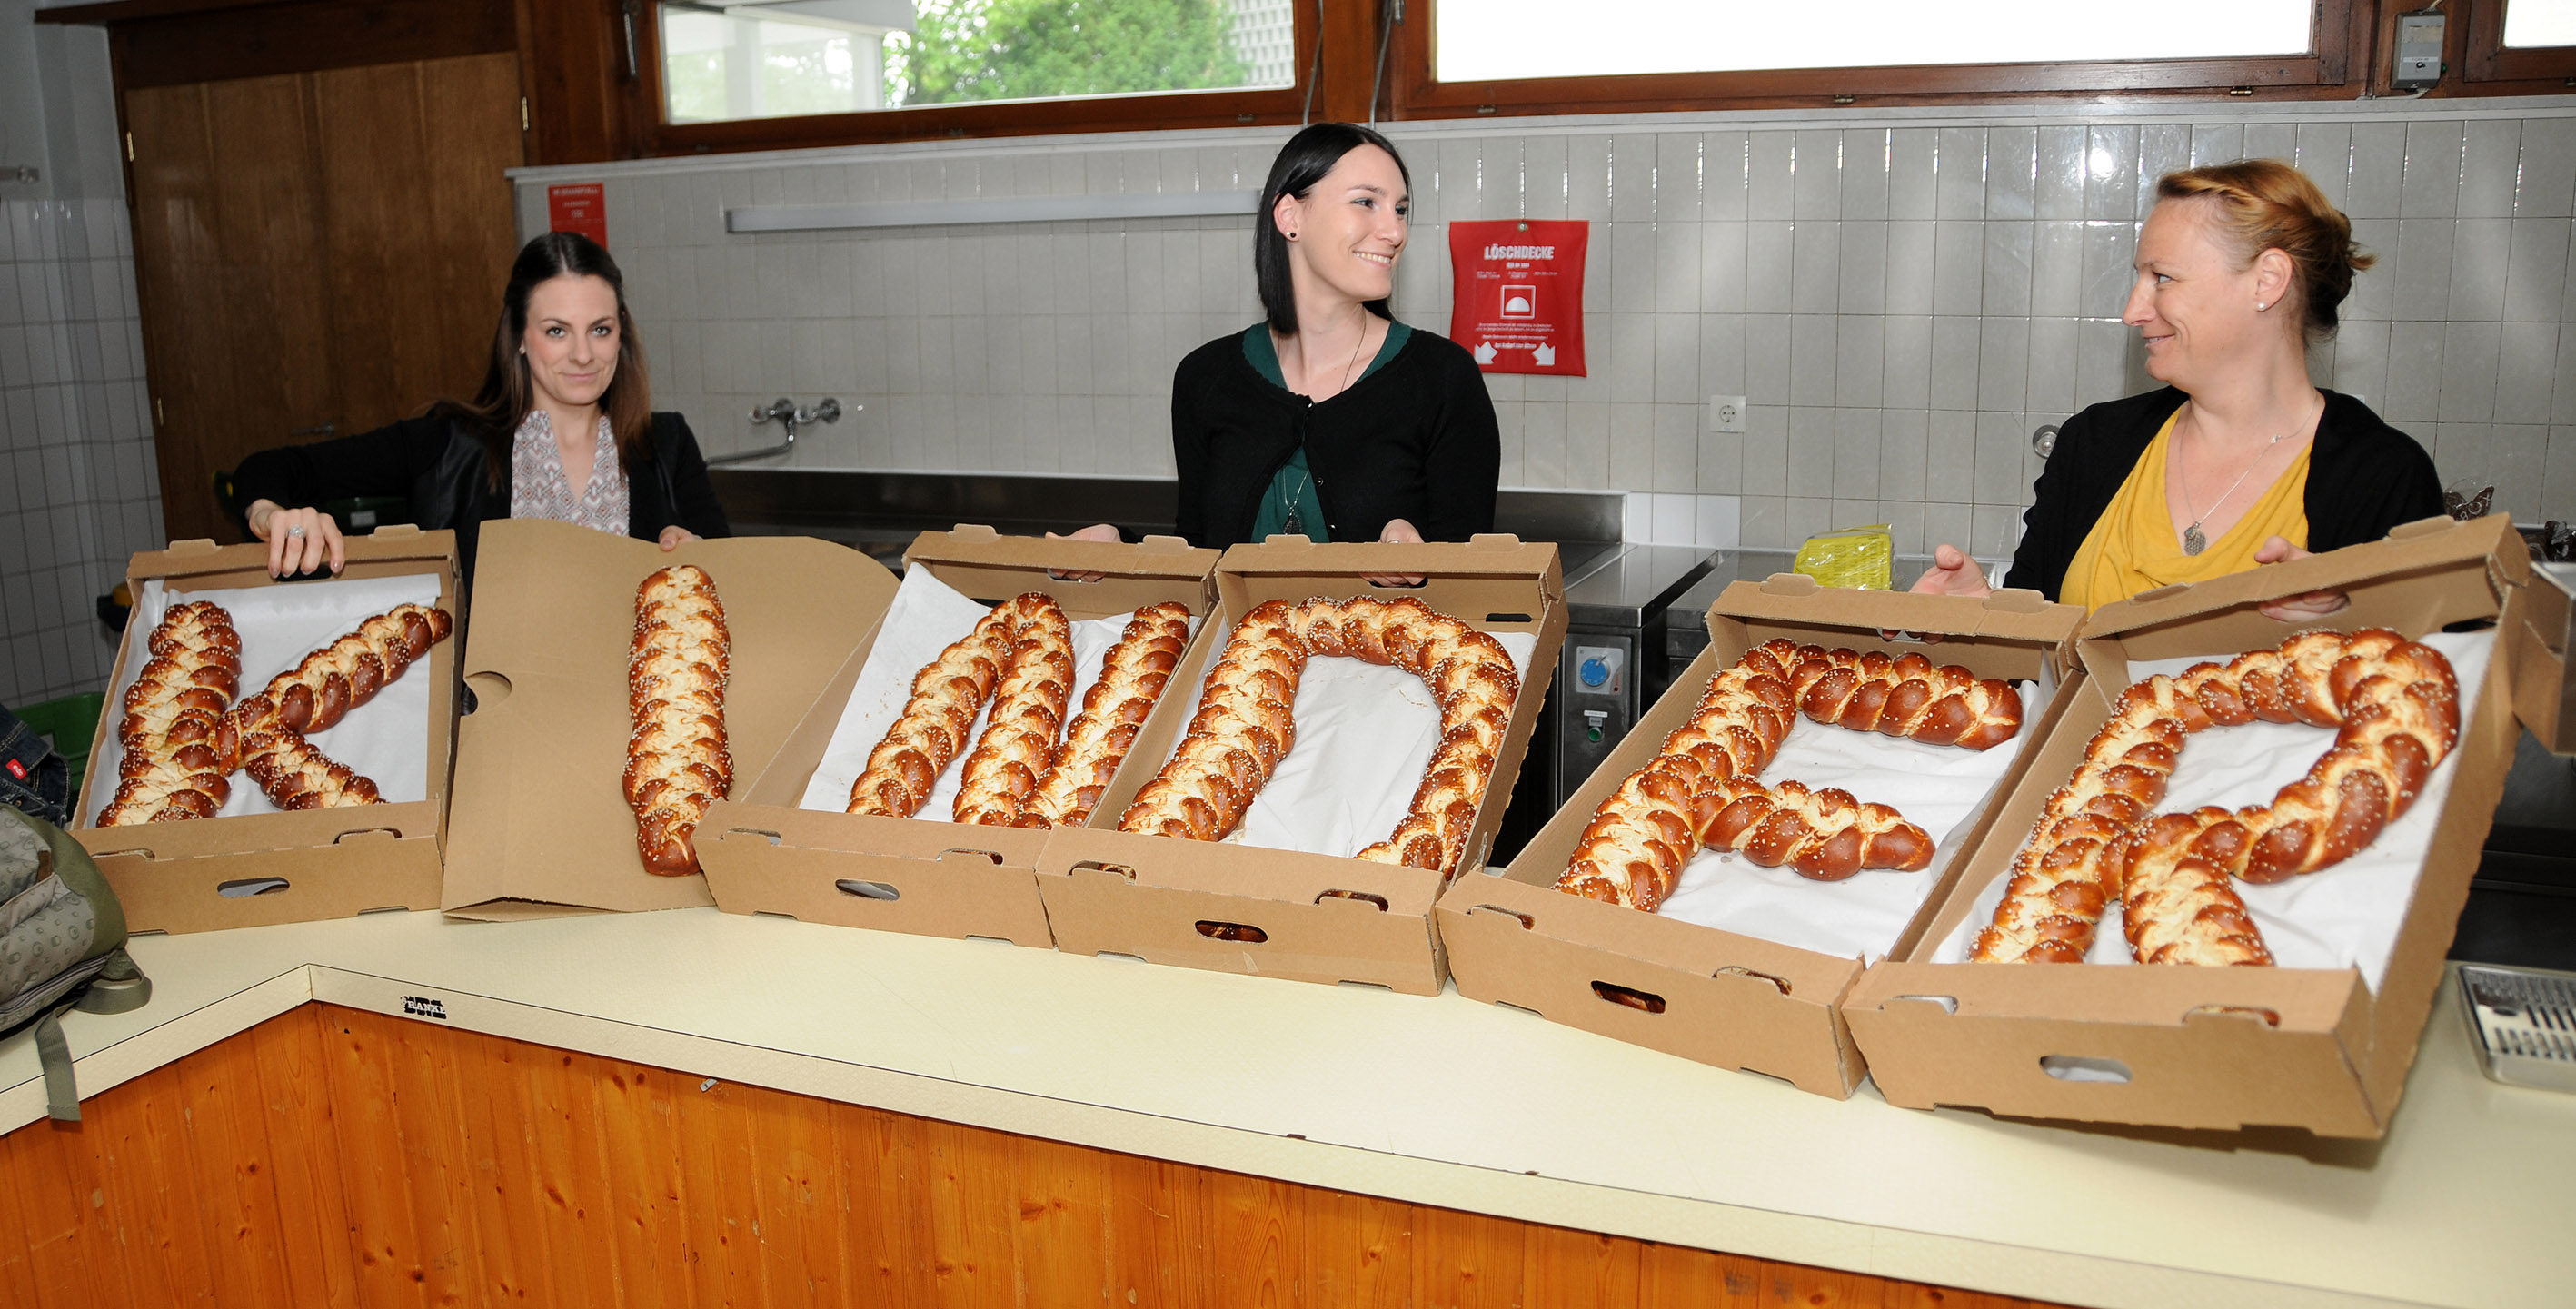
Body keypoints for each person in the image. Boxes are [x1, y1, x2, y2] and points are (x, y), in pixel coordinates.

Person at [1912, 159, 2442, 618]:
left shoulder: (2383, 476)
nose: (2132, 311)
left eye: (2162, 277)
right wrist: (1984, 616)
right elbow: (2035, 646)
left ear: (2267, 281)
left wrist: (2349, 622)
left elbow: (2435, 665)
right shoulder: (2094, 443)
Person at [1056, 123, 1500, 580]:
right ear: (1290, 217)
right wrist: (1122, 553)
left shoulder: (1444, 377)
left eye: (1401, 210)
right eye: (1366, 202)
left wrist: (1423, 558)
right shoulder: (1205, 377)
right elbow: (1198, 561)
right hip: (1240, 633)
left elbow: (1472, 583)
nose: (1394, 231)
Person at [232, 231, 728, 580]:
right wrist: (273, 514)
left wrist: (705, 559)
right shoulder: (447, 445)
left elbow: (732, 572)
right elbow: (267, 468)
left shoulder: (667, 444)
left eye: (600, 329)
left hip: (640, 697)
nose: (583, 355)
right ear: (520, 337)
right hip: (487, 700)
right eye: (557, 331)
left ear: (621, 333)